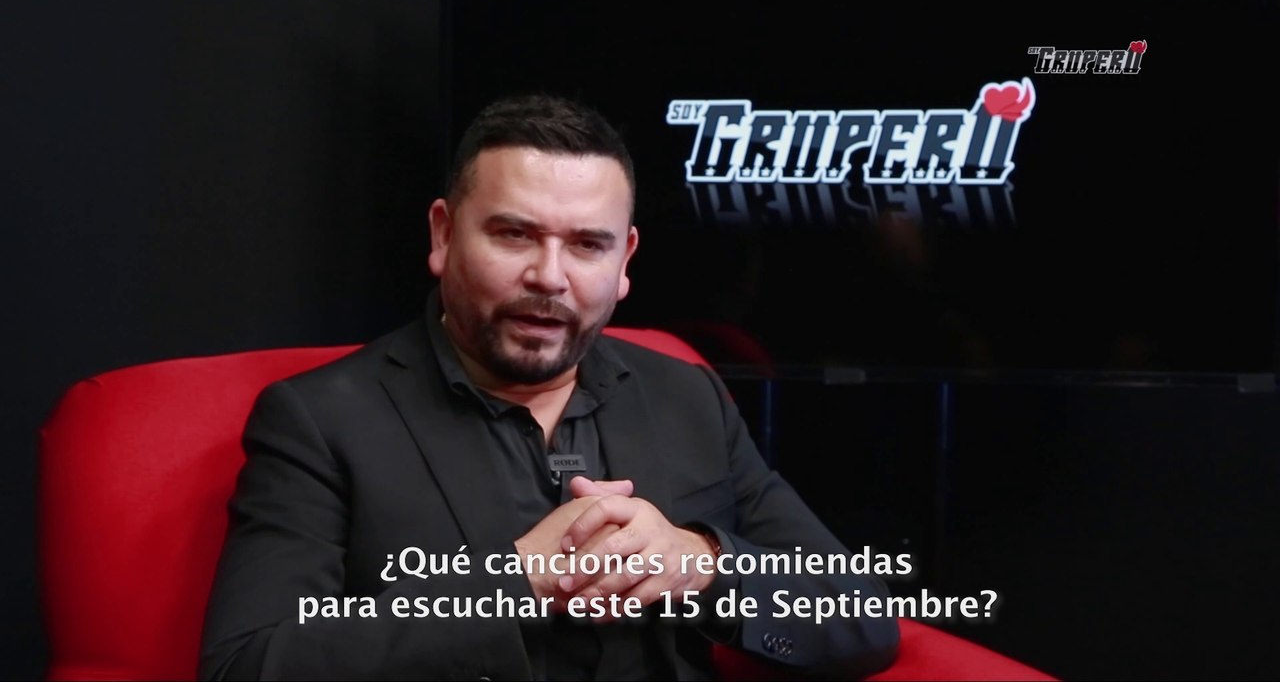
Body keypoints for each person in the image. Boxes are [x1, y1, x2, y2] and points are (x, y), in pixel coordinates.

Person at [199, 94, 899, 680]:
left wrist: (703, 564)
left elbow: (862, 617)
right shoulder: (320, 419)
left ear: (624, 262)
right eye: (514, 234)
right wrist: (517, 581)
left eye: (587, 245)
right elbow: (248, 662)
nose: (550, 277)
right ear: (443, 236)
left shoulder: (689, 397)